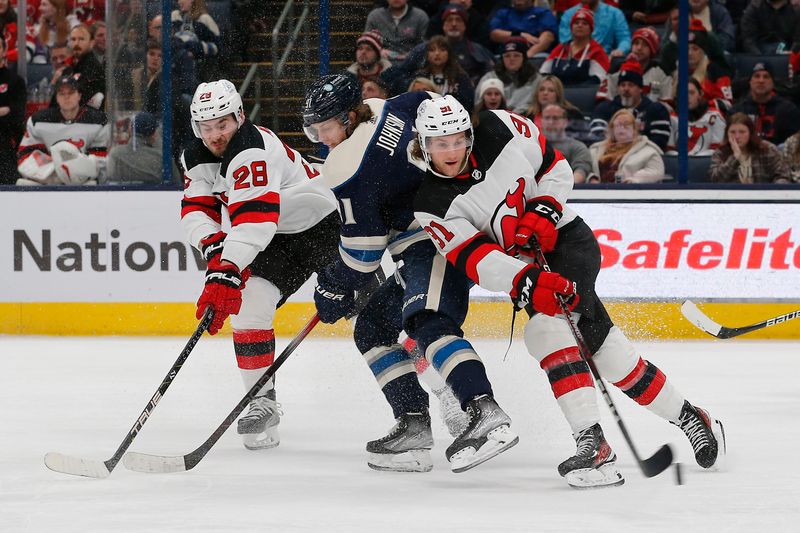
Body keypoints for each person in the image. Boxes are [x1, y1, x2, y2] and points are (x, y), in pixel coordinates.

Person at [411, 95, 726, 488]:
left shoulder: (501, 127)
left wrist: (542, 210)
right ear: (424, 144)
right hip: (524, 268)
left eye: (458, 138)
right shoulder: (429, 204)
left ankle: (592, 444)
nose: (452, 149)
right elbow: (475, 258)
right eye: (441, 143)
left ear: (469, 132)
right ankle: (689, 416)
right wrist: (528, 281)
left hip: (567, 242)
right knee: (606, 353)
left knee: (546, 331)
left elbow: (554, 167)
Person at [302, 74, 517, 473]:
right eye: (313, 128)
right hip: (470, 220)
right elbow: (439, 106)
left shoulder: (346, 166)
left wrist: (332, 286)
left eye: (325, 127)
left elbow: (363, 257)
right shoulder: (395, 106)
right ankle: (414, 425)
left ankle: (483, 409)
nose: (320, 137)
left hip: (436, 238)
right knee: (372, 328)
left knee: (428, 321)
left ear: (349, 117)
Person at [180, 79, 342, 451]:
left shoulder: (253, 147)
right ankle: (261, 401)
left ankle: (442, 392)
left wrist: (225, 270)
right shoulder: (194, 157)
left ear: (239, 116)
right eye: (206, 128)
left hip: (325, 225)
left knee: (380, 312)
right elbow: (197, 210)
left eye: (222, 124)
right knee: (250, 304)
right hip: (276, 235)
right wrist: (215, 250)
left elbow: (254, 219)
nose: (215, 134)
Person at [17, 73, 108, 185]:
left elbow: (103, 159)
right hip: (49, 180)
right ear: (57, 97)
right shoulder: (38, 121)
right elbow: (26, 155)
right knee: (23, 184)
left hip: (84, 181)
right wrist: (52, 171)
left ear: (79, 95)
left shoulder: (98, 121)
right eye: (62, 93)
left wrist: (76, 168)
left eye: (71, 92)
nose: (66, 97)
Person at [591, 58, 672, 150]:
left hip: (643, 157)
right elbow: (597, 138)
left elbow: (659, 142)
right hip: (611, 155)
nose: (626, 89)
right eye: (622, 85)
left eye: (631, 85)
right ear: (618, 88)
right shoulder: (604, 108)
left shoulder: (656, 110)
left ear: (640, 89)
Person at [729, 63, 800, 147]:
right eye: (757, 76)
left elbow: (795, 145)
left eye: (766, 77)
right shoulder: (737, 110)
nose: (761, 81)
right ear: (750, 82)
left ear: (773, 83)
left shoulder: (788, 110)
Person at [709, 112, 792, 183]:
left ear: (750, 133)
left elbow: (783, 176)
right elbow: (716, 180)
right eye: (732, 132)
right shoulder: (720, 153)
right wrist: (734, 157)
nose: (737, 136)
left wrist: (772, 193)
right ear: (727, 133)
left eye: (742, 132)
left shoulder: (767, 149)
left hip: (764, 198)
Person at [597, 27, 672, 103]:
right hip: (619, 112)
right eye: (636, 43)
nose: (639, 48)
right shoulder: (616, 68)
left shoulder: (662, 71)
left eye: (645, 45)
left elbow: (667, 105)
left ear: (652, 49)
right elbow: (603, 101)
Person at [589, 108, 665, 183]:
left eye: (626, 125)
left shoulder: (649, 151)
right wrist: (591, 178)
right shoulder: (595, 150)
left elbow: (655, 171)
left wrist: (634, 180)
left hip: (632, 192)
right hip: (598, 192)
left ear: (634, 129)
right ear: (612, 129)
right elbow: (584, 168)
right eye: (618, 125)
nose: (622, 128)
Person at [540, 8, 610, 87]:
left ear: (591, 29)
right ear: (571, 27)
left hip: (583, 95)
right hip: (556, 94)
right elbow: (543, 73)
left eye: (585, 23)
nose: (580, 25)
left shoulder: (597, 51)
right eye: (576, 23)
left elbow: (598, 79)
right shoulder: (560, 49)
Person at [475, 37, 537, 114]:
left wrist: (513, 115)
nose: (512, 59)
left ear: (524, 58)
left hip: (525, 118)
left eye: (516, 55)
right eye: (507, 56)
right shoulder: (489, 77)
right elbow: (478, 103)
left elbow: (536, 104)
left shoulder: (535, 78)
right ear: (502, 59)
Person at [525, 74, 593, 144]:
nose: (545, 93)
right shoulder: (527, 116)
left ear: (558, 94)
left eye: (551, 90)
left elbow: (582, 139)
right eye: (541, 90)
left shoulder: (573, 114)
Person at [412, 35, 474, 112]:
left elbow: (468, 103)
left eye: (442, 49)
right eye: (432, 50)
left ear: (449, 53)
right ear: (427, 54)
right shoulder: (419, 76)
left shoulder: (460, 77)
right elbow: (412, 102)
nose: (437, 53)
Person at [666, 77, 726, 156]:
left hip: (707, 164)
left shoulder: (714, 116)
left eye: (691, 93)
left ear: (700, 94)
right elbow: (669, 150)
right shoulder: (672, 118)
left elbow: (718, 150)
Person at [364, 0, 429, 64]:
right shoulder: (375, 16)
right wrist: (379, 51)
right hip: (381, 63)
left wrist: (412, 55)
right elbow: (366, 42)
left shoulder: (420, 16)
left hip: (412, 63)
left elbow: (425, 45)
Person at [541, 104, 593, 183]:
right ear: (541, 121)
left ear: (565, 122)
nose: (550, 122)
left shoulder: (578, 147)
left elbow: (581, 169)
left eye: (555, 118)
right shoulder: (532, 146)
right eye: (547, 118)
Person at [559, 0, 630, 58]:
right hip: (573, 59)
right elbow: (565, 41)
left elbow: (625, 39)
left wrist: (620, 50)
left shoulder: (615, 13)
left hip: (605, 59)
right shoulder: (568, 15)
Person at [106, 112, 163, 184]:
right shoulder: (161, 158)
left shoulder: (115, 154)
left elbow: (109, 180)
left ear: (131, 130)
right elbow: (176, 185)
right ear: (153, 134)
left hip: (121, 194)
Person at [171, 0, 221, 81]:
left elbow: (217, 47)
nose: (179, 2)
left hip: (199, 70)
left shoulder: (205, 19)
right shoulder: (174, 16)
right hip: (175, 68)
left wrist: (196, 48)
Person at [488, 0, 557, 57]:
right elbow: (494, 34)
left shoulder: (543, 13)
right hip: (507, 52)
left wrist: (527, 55)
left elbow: (548, 37)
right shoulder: (503, 13)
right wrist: (520, 35)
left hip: (534, 53)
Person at [58, 24, 104, 109]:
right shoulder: (69, 68)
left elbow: (79, 99)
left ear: (92, 42)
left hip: (86, 118)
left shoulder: (93, 67)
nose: (76, 43)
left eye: (81, 39)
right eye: (73, 39)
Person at [0, 33, 26, 185]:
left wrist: (8, 111)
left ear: (4, 51)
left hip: (5, 149)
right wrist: (3, 110)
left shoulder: (15, 81)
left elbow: (17, 115)